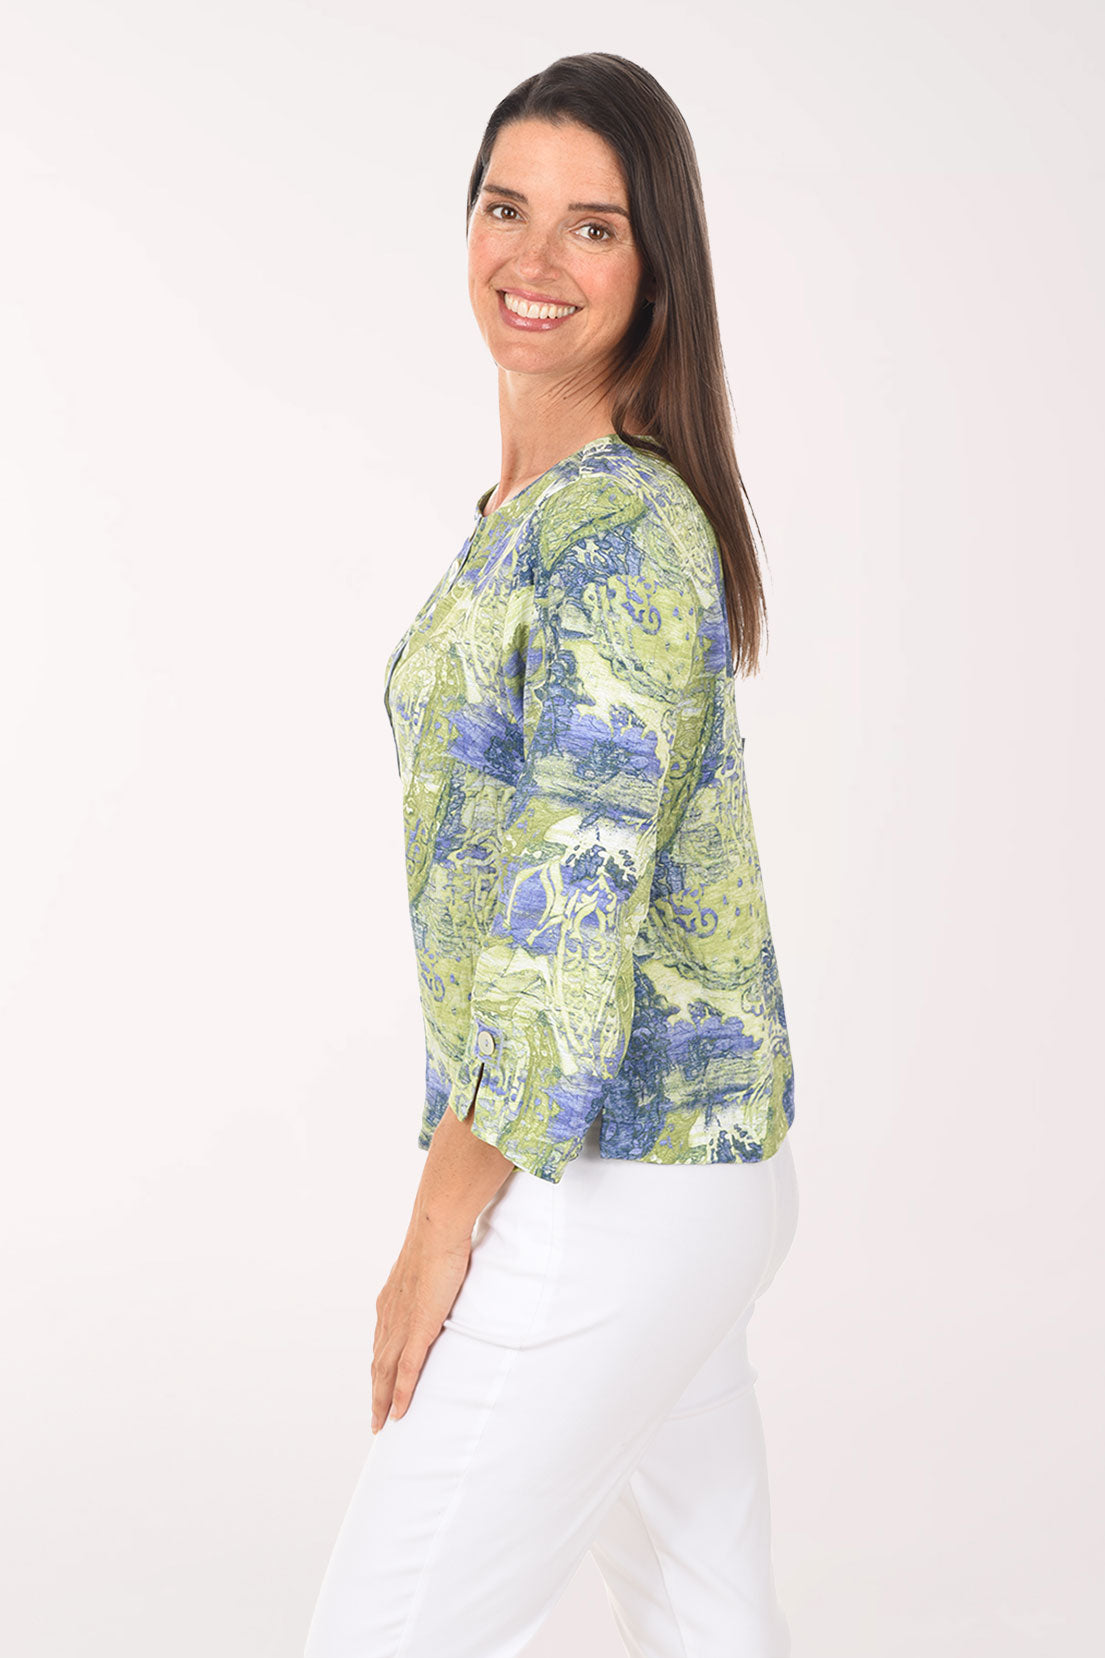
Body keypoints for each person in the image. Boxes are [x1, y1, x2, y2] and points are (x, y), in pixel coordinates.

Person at [304, 50, 800, 1658]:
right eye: (506, 207)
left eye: (591, 227)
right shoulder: (538, 514)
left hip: (616, 1172)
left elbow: (564, 907)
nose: (532, 257)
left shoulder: (612, 533)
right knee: (705, 1614)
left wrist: (442, 1220)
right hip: (666, 1165)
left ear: (654, 265)